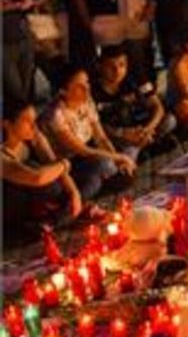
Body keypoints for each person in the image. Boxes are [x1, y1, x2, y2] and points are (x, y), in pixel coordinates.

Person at [42, 66, 137, 199]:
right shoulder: (56, 114)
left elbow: (101, 138)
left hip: (90, 153)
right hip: (69, 163)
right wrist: (118, 158)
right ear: (63, 91)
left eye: (87, 82)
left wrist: (118, 159)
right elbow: (82, 150)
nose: (86, 89)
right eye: (79, 86)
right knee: (105, 164)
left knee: (130, 151)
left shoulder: (86, 101)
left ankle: (104, 181)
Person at [3, 101, 83, 238]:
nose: (33, 126)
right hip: (9, 207)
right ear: (7, 124)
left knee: (59, 180)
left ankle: (51, 221)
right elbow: (36, 177)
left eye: (34, 120)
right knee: (35, 168)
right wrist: (64, 164)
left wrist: (74, 192)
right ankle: (56, 218)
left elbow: (54, 164)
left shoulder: (32, 138)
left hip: (32, 199)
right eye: (27, 121)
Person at [94, 45, 174, 153]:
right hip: (119, 134)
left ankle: (145, 144)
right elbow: (97, 126)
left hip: (142, 126)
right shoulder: (93, 91)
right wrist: (123, 133)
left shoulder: (136, 78)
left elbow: (157, 107)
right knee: (128, 150)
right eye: (110, 66)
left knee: (170, 120)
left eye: (122, 65)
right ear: (100, 67)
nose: (117, 71)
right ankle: (147, 147)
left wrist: (147, 130)